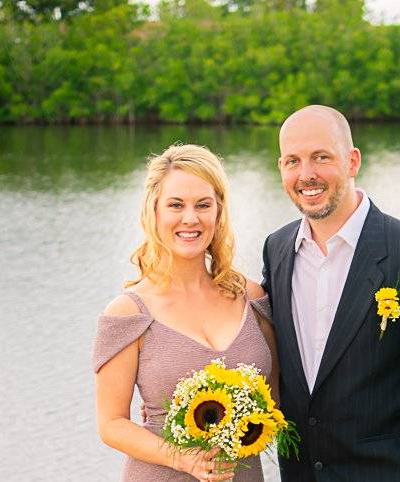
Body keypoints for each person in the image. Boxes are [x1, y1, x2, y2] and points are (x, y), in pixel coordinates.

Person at [257, 105, 400, 481]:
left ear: (352, 160)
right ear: (281, 168)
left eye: (321, 157)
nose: (306, 174)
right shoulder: (276, 249)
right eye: (292, 161)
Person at [93, 144, 278, 482]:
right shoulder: (129, 313)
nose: (190, 218)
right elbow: (111, 424)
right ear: (155, 211)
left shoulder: (252, 297)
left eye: (203, 205)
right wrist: (184, 459)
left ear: (218, 212)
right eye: (176, 205)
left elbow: (278, 400)